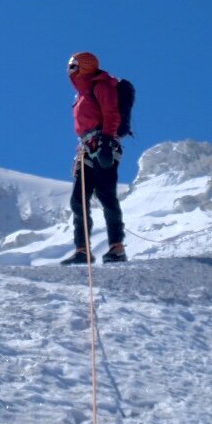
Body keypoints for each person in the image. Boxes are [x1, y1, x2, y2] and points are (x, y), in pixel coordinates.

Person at [63, 51, 126, 264]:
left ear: (86, 66)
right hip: (87, 148)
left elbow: (111, 113)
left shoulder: (101, 86)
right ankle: (82, 250)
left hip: (102, 144)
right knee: (78, 199)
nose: (70, 70)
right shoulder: (82, 93)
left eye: (74, 66)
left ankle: (116, 247)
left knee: (106, 194)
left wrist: (107, 142)